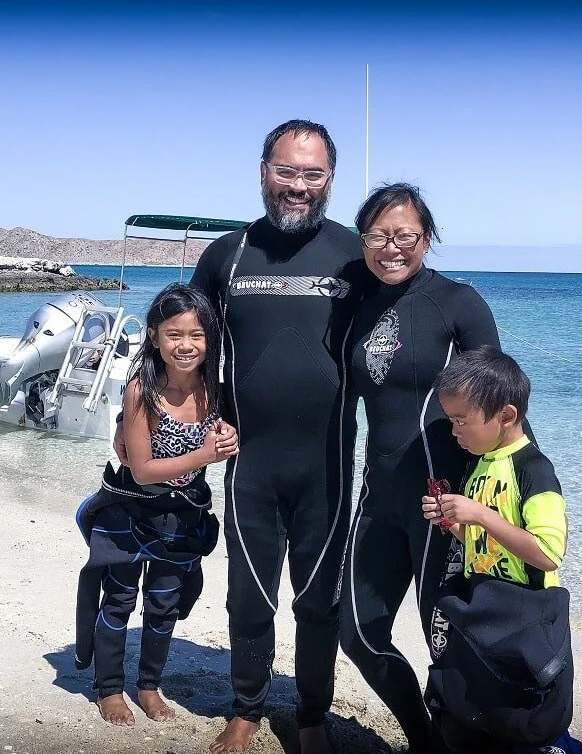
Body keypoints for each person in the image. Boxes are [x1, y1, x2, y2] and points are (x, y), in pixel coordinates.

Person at [186, 119, 368, 754]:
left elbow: (406, 349)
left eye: (312, 173)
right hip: (249, 463)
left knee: (318, 603)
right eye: (286, 170)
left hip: (328, 466)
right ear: (263, 170)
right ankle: (246, 707)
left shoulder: (355, 256)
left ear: (331, 180)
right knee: (249, 597)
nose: (299, 185)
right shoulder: (226, 256)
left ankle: (312, 715)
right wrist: (188, 423)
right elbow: (187, 348)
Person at [339, 183, 502, 752]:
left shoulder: (458, 303)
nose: (392, 247)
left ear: (426, 239)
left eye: (405, 235)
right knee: (356, 633)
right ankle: (425, 740)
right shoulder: (353, 304)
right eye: (379, 235)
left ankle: (469, 740)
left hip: (445, 506)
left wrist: (513, 498)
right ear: (363, 241)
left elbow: (504, 408)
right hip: (377, 496)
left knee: (447, 644)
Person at [75, 283, 239, 727]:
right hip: (130, 511)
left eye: (197, 335)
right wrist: (208, 455)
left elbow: (239, 434)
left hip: (182, 518)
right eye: (174, 334)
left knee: (164, 603)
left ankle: (149, 685)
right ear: (153, 336)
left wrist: (230, 438)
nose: (186, 345)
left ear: (211, 338)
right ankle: (109, 688)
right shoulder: (141, 392)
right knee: (119, 600)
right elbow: (144, 469)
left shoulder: (217, 390)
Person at [422, 346, 571, 754]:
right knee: (483, 714)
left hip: (530, 614)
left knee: (533, 719)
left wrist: (481, 515)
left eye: (460, 421)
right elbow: (482, 545)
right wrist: (452, 522)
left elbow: (547, 552)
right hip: (487, 607)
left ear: (505, 416)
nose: (454, 431)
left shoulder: (533, 470)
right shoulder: (482, 462)